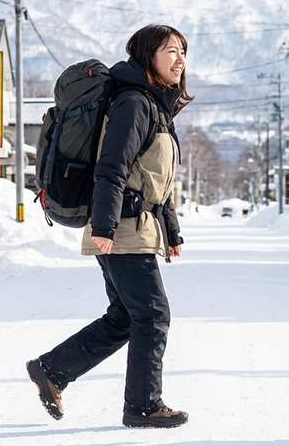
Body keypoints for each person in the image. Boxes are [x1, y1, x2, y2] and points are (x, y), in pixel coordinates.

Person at [27, 24, 192, 429]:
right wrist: (103, 225)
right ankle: (143, 405)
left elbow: (159, 182)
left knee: (124, 316)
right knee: (152, 315)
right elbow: (112, 168)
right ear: (147, 56)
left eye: (183, 51)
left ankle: (53, 370)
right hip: (122, 227)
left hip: (136, 225)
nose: (180, 59)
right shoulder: (134, 103)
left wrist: (172, 233)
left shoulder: (155, 106)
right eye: (170, 50)